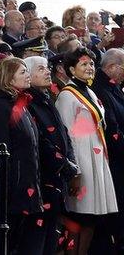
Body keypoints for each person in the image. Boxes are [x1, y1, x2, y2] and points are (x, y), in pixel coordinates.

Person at [0, 57, 44, 253]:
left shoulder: (19, 103)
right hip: (8, 188)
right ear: (9, 79)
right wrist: (9, 185)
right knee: (3, 239)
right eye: (22, 72)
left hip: (23, 182)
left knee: (18, 239)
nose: (27, 75)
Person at [55, 47, 118, 253]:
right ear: (71, 69)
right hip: (81, 161)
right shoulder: (67, 96)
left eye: (91, 63)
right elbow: (66, 137)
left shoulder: (90, 91)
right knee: (79, 216)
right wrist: (75, 171)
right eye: (84, 64)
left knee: (92, 217)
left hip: (97, 158)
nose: (89, 67)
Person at [24, 55, 79, 254]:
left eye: (47, 68)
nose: (48, 72)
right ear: (28, 75)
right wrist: (65, 165)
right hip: (43, 178)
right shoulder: (29, 102)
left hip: (57, 179)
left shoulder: (47, 98)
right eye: (41, 69)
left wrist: (71, 162)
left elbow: (64, 134)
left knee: (52, 236)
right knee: (38, 238)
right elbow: (41, 142)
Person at [91, 48, 124, 247]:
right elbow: (112, 131)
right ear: (112, 67)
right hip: (114, 164)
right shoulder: (101, 90)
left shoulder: (114, 87)